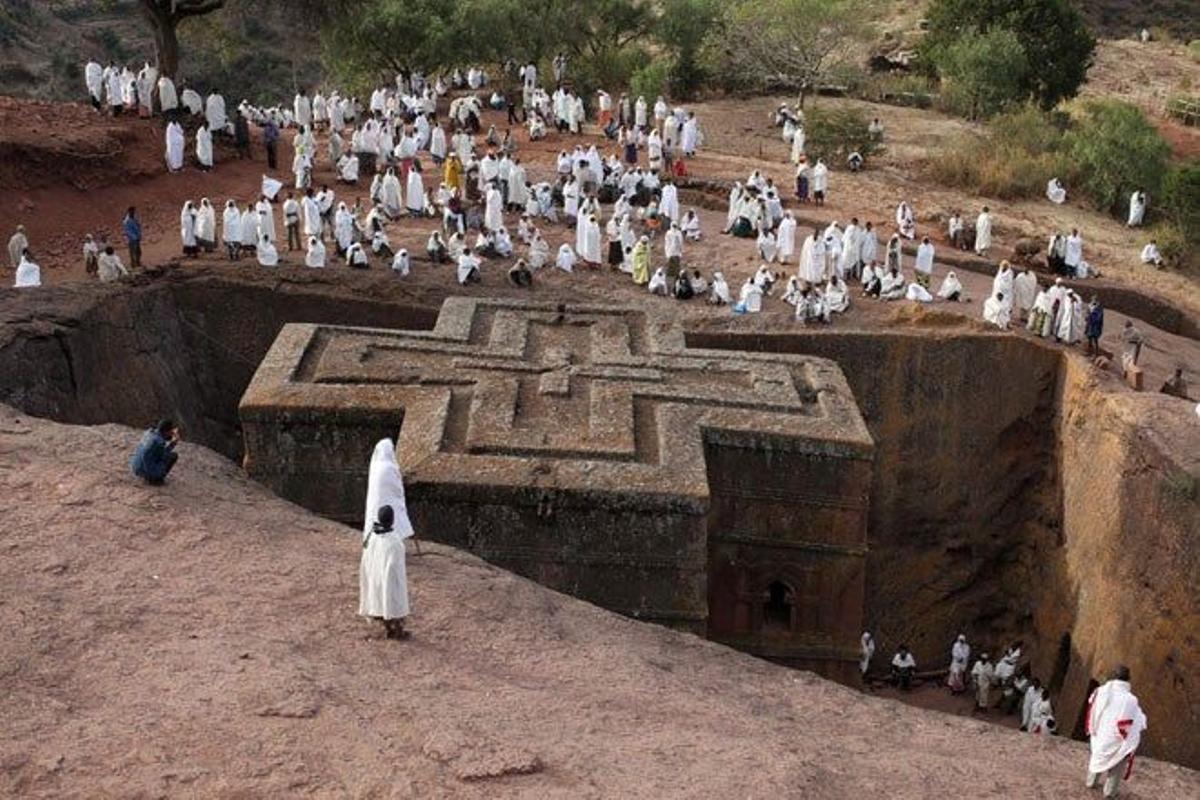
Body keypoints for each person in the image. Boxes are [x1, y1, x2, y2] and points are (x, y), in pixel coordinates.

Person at [359, 439, 414, 641]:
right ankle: (396, 630)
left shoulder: (372, 539)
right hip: (390, 581)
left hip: (376, 576)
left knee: (382, 600)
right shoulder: (394, 544)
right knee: (393, 602)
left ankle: (385, 623)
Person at [1085, 666, 1147, 798]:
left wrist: (1095, 729)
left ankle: (1091, 781)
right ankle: (1109, 791)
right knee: (1119, 758)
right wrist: (1139, 720)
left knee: (1098, 754)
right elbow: (1126, 724)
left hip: (1100, 734)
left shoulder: (1101, 691)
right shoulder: (1131, 700)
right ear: (1128, 679)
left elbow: (1092, 706)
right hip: (1116, 738)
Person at [130, 419, 180, 485]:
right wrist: (173, 443)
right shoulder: (159, 442)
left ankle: (148, 475)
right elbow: (163, 455)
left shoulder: (148, 433)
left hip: (135, 467)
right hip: (146, 470)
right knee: (173, 456)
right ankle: (156, 479)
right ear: (165, 431)